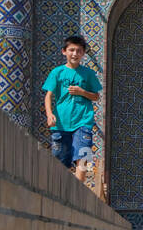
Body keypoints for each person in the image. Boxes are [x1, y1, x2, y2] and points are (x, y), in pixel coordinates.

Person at [42, 35, 102, 183]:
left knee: (82, 155)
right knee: (60, 159)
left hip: (83, 121)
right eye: (72, 50)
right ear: (64, 51)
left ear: (83, 54)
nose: (75, 54)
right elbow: (48, 96)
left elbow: (96, 96)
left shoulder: (88, 74)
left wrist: (82, 92)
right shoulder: (57, 72)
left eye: (79, 51)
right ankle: (63, 192)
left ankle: (79, 193)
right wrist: (49, 114)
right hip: (61, 123)